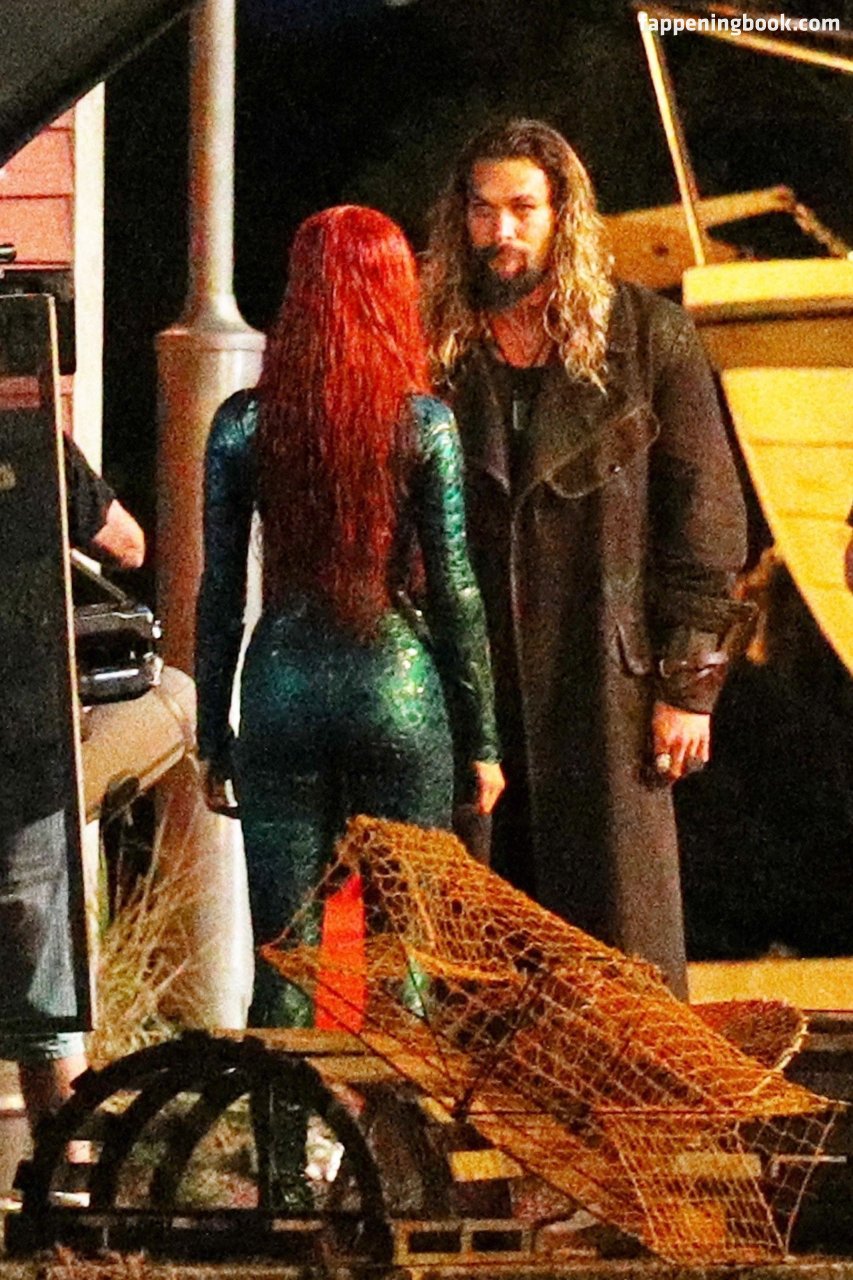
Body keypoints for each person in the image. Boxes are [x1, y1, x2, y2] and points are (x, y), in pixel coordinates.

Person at [421, 119, 750, 997]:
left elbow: (706, 519)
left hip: (607, 684)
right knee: (477, 954)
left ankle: (629, 1089)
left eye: (522, 208)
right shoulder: (435, 347)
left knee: (619, 959)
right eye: (482, 210)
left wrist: (688, 686)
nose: (500, 231)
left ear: (562, 213)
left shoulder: (646, 337)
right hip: (474, 685)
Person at [195, 205, 504, 1027]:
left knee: (285, 962)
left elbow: (219, 593)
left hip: (281, 691)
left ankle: (282, 1116)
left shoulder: (243, 423)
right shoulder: (423, 423)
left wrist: (211, 735)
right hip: (396, 690)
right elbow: (455, 590)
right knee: (401, 963)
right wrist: (481, 739)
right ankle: (389, 1113)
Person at [0, 435, 144, 1163]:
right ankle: (67, 1182)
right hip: (19, 738)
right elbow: (127, 545)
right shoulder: (24, 434)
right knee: (45, 991)